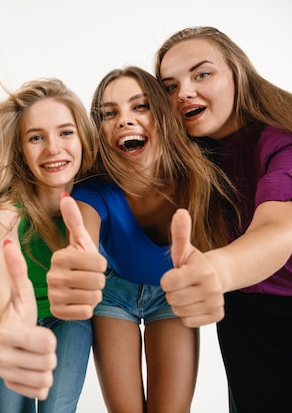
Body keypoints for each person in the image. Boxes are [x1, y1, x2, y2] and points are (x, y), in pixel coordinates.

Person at [70, 66, 237, 413]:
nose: (124, 120)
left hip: (171, 296)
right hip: (113, 295)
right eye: (109, 113)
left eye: (139, 106)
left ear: (163, 115)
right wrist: (77, 258)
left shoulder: (199, 176)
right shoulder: (93, 190)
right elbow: (82, 238)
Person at [155, 26, 292, 413]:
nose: (184, 91)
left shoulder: (283, 141)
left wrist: (216, 270)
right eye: (169, 86)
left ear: (238, 75)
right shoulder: (195, 160)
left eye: (202, 74)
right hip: (243, 325)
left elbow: (280, 227)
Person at [0, 78, 99, 412]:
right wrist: (9, 321)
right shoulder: (7, 210)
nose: (52, 148)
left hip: (68, 321)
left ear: (83, 138)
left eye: (65, 132)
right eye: (36, 137)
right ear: (21, 150)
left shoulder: (95, 204)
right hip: (14, 321)